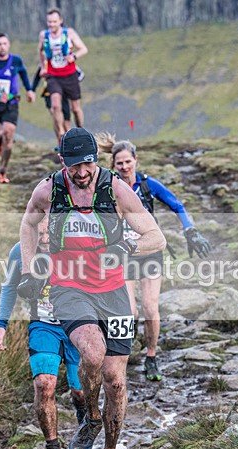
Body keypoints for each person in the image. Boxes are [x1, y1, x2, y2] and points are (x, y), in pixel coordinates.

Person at [18, 127, 166, 449]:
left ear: (95, 160)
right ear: (62, 162)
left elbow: (156, 237)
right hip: (69, 288)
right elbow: (28, 223)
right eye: (73, 166)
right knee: (93, 355)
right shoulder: (49, 190)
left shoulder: (116, 189)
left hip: (113, 292)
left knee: (115, 380)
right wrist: (27, 271)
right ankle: (92, 418)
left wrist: (127, 247)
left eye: (86, 164)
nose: (81, 173)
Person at [96, 133, 212, 382]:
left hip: (149, 253)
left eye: (128, 162)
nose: (125, 167)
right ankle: (123, 356)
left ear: (136, 160)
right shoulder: (110, 188)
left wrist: (190, 229)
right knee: (128, 310)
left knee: (150, 307)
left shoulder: (147, 185)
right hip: (122, 254)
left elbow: (177, 205)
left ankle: (151, 356)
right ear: (113, 165)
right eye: (120, 163)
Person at [0, 217, 86, 449]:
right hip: (43, 326)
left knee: (80, 391)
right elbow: (9, 287)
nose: (44, 238)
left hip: (78, 324)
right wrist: (1, 323)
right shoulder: (20, 251)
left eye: (48, 233)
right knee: (45, 385)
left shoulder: (76, 245)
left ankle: (84, 417)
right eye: (39, 233)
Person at [0, 33, 35, 183]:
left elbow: (23, 73)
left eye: (4, 43)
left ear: (9, 44)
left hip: (11, 104)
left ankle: (3, 170)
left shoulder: (16, 61)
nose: (1, 47)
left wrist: (29, 89)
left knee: (8, 133)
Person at [37, 8, 88, 143]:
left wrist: (74, 56)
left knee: (75, 109)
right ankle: (61, 136)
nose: (52, 25)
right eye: (49, 22)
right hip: (53, 76)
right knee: (55, 106)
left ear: (60, 21)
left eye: (54, 21)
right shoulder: (44, 35)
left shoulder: (69, 33)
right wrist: (43, 67)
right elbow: (40, 50)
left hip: (70, 75)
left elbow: (84, 49)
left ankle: (81, 131)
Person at [32, 65, 85, 148]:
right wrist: (32, 90)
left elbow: (81, 74)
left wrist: (72, 82)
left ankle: (71, 142)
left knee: (66, 119)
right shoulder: (45, 63)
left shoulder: (65, 62)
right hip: (49, 93)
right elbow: (37, 77)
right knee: (54, 112)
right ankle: (61, 140)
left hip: (64, 94)